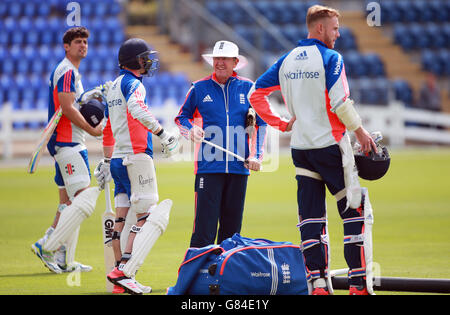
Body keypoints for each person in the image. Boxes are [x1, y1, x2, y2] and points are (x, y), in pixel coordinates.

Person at [248, 5, 378, 295]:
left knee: (311, 217)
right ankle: (358, 285)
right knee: (355, 210)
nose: (338, 33)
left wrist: (281, 124)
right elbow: (340, 102)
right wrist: (361, 131)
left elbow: (255, 93)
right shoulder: (331, 58)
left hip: (301, 149)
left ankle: (318, 284)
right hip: (330, 146)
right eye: (334, 28)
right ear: (320, 28)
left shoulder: (287, 59)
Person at [97, 38, 179, 295]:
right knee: (146, 215)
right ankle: (124, 271)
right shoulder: (134, 85)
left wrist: (107, 160)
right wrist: (162, 132)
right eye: (145, 58)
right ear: (135, 60)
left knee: (120, 218)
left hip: (120, 160)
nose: (148, 61)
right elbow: (136, 108)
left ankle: (120, 276)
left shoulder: (112, 88)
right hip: (137, 156)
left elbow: (108, 129)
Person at [175, 40, 267, 248]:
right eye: (217, 58)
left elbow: (262, 124)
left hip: (239, 168)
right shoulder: (198, 88)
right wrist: (191, 129)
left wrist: (257, 156)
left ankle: (225, 277)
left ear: (235, 62)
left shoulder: (249, 89)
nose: (220, 63)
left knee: (231, 234)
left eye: (225, 59)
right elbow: (181, 117)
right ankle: (197, 277)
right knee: (203, 232)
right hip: (208, 168)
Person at [31, 27, 104, 274]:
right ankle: (47, 245)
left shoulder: (71, 71)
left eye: (85, 41)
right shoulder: (67, 70)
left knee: (68, 202)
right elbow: (67, 107)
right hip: (68, 142)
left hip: (66, 142)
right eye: (77, 42)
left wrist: (91, 96)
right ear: (66, 46)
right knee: (83, 200)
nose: (82, 45)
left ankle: (64, 259)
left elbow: (75, 102)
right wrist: (93, 131)